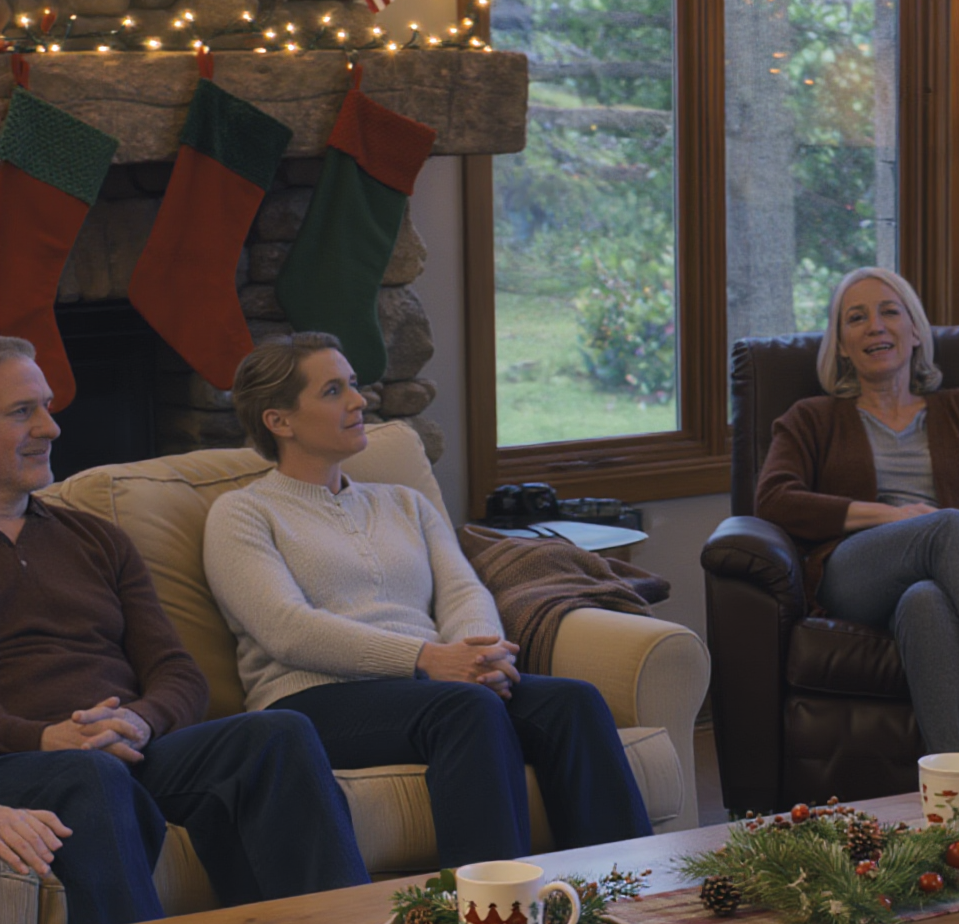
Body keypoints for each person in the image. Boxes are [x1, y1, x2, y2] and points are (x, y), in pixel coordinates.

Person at [0, 336, 369, 924]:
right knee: (89, 780)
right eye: (22, 410)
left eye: (45, 403)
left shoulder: (91, 534)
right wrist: (43, 736)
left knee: (274, 737)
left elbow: (175, 672)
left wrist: (140, 719)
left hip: (123, 747)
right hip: (31, 763)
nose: (51, 424)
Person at [202, 334, 651, 868]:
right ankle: (486, 918)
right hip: (314, 699)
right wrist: (426, 659)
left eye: (353, 384)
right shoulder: (242, 514)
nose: (358, 400)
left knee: (571, 702)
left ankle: (629, 890)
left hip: (433, 686)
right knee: (466, 707)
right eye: (333, 390)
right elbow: (287, 629)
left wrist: (479, 655)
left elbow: (462, 589)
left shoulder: (405, 502)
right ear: (280, 421)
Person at [753, 267, 959, 759]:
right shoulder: (811, 419)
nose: (875, 326)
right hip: (857, 574)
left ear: (916, 331)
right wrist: (891, 519)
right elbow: (774, 498)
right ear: (839, 344)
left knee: (927, 600)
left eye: (890, 312)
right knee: (947, 525)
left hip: (948, 577)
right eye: (856, 318)